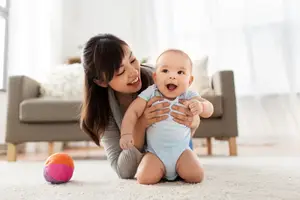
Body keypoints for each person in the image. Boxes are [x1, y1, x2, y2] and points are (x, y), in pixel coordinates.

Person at [80, 33, 211, 183]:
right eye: (121, 71)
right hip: (152, 158)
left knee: (194, 173)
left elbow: (194, 111)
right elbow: (124, 170)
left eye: (133, 60)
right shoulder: (102, 112)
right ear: (101, 81)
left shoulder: (161, 79)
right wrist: (141, 124)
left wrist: (193, 118)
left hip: (178, 147)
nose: (134, 72)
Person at [120, 49, 214, 184]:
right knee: (144, 178)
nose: (172, 76)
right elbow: (132, 112)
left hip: (182, 152)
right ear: (155, 77)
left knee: (196, 175)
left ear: (190, 80)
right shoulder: (151, 93)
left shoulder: (188, 95)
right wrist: (126, 134)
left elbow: (209, 108)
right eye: (165, 71)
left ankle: (178, 169)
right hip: (155, 153)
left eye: (180, 72)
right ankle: (161, 170)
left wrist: (201, 107)